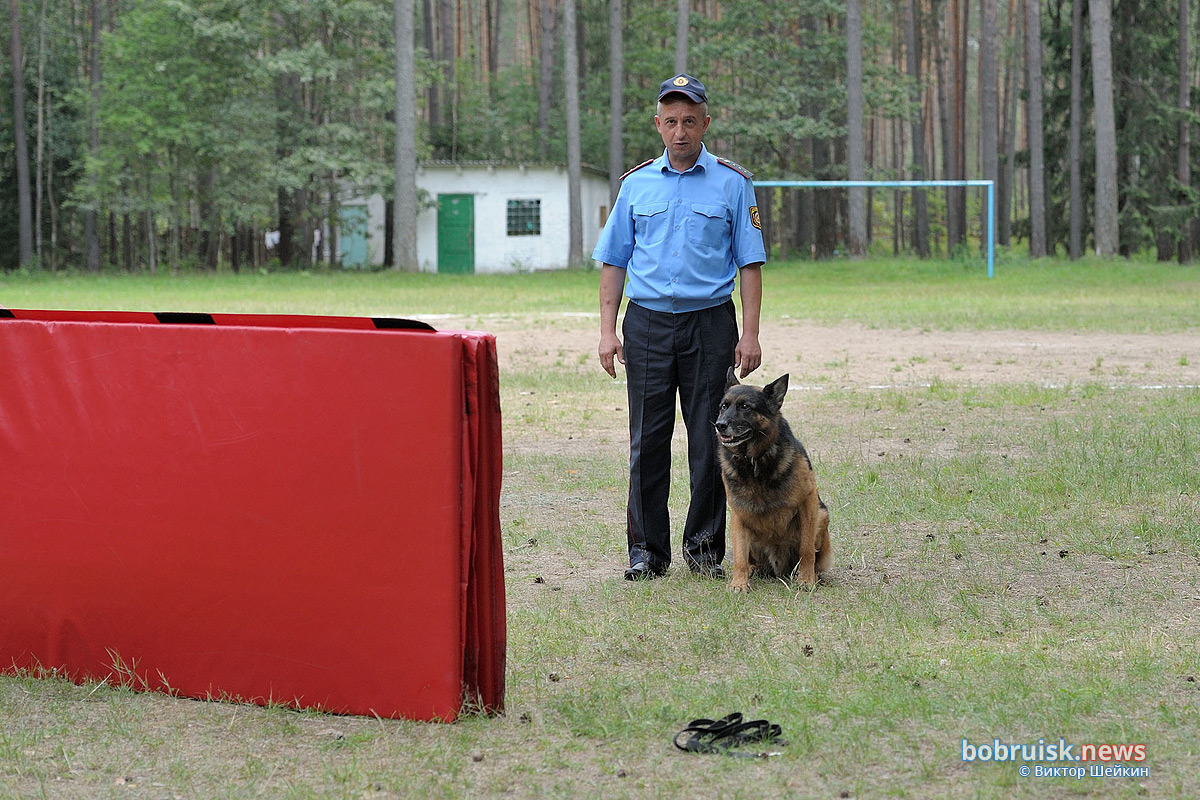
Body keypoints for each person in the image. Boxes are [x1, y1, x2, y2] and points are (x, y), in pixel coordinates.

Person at [593, 73, 767, 581]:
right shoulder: (636, 184)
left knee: (712, 437)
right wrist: (608, 331)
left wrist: (750, 333)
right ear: (658, 125)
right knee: (647, 439)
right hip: (646, 325)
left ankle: (705, 547)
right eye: (670, 121)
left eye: (690, 121)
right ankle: (646, 553)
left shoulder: (734, 183)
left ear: (705, 123)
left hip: (710, 325)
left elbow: (750, 263)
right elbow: (613, 262)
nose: (680, 130)